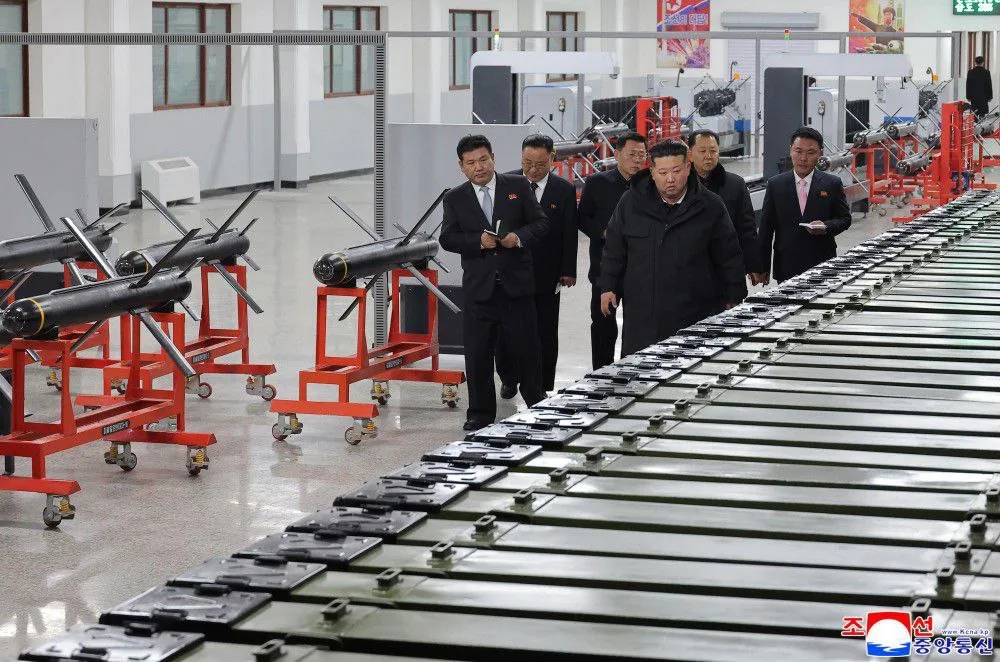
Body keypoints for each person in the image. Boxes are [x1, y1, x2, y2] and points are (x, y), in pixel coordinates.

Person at [440, 134, 551, 431]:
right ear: (461, 166)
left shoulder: (517, 186)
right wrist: (477, 241)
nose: (479, 167)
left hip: (517, 286)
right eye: (471, 163)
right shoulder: (454, 198)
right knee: (478, 354)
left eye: (483, 160)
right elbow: (447, 238)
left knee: (527, 349)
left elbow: (541, 222)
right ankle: (479, 413)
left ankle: (536, 402)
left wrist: (519, 237)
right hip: (480, 290)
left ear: (493, 158)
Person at [599, 139, 747, 357]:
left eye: (676, 171)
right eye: (663, 172)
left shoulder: (710, 206)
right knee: (640, 370)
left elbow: (729, 255)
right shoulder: (631, 203)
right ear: (652, 172)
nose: (670, 179)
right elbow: (615, 249)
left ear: (688, 167)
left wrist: (735, 296)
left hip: (696, 314)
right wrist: (608, 286)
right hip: (643, 316)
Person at [495, 134, 578, 397]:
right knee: (507, 328)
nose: (532, 170)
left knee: (545, 329)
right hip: (511, 269)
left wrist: (568, 270)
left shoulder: (563, 190)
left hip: (546, 270)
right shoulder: (505, 182)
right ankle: (509, 378)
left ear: (552, 158)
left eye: (540, 164)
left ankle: (541, 383)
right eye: (527, 163)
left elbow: (569, 232)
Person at [578, 131, 647, 369]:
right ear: (617, 155)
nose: (637, 160)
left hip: (641, 268)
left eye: (642, 155)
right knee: (603, 325)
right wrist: (603, 232)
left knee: (639, 326)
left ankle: (635, 371)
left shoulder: (651, 184)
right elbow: (582, 218)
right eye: (632, 154)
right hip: (604, 268)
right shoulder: (597, 183)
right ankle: (601, 373)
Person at [758, 126, 852, 284]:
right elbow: (765, 230)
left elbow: (845, 219)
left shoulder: (832, 184)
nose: (803, 158)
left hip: (822, 264)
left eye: (810, 152)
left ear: (820, 153)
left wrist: (826, 227)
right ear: (791, 150)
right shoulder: (776, 185)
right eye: (798, 151)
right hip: (786, 265)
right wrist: (762, 267)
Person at [687, 129, 766, 285]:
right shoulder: (680, 185)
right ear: (690, 154)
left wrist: (754, 265)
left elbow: (747, 228)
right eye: (702, 151)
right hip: (689, 268)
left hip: (727, 266)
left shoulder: (735, 184)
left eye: (713, 151)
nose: (708, 156)